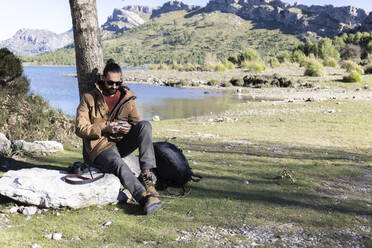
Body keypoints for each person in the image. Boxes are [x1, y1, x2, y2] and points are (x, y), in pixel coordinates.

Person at [75, 59, 161, 215]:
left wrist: (129, 128)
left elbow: (137, 124)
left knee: (145, 126)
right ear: (103, 79)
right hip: (100, 146)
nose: (114, 87)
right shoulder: (88, 98)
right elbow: (80, 129)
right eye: (110, 83)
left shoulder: (127, 98)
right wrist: (105, 127)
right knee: (118, 164)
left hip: (121, 143)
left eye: (117, 83)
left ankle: (147, 176)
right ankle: (143, 197)